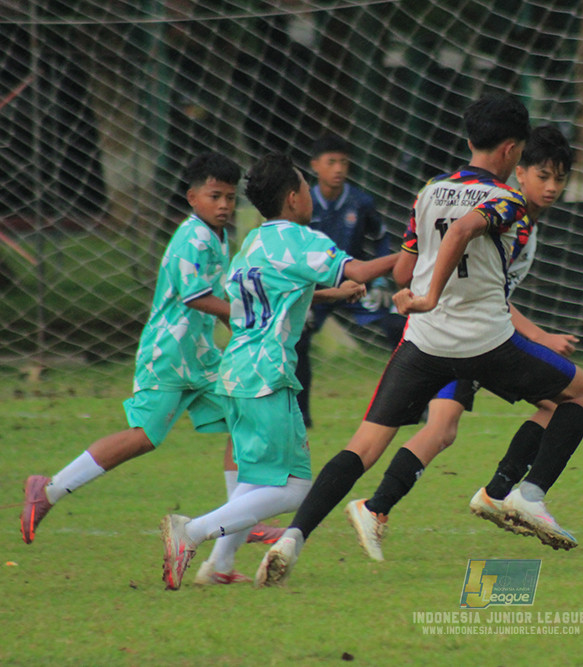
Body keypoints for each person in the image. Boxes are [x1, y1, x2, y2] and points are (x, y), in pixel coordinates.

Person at [255, 95, 583, 588]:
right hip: (484, 342)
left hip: (425, 344)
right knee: (582, 393)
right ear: (510, 150)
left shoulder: (430, 190)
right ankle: (529, 493)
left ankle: (293, 538)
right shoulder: (507, 200)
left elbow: (401, 267)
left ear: (467, 142)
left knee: (364, 445)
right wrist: (432, 294)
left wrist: (411, 292)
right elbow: (463, 230)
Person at [159, 153, 398, 589]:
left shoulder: (254, 241)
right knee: (294, 490)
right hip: (268, 373)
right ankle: (190, 532)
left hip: (235, 368)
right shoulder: (301, 239)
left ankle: (217, 566)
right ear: (293, 198)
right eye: (306, 187)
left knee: (257, 479)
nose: (310, 195)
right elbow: (362, 268)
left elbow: (273, 292)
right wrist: (412, 255)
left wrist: (331, 294)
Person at [18, 153, 280, 551]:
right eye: (215, 196)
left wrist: (235, 323)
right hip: (168, 354)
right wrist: (242, 316)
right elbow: (195, 297)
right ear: (192, 198)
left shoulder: (218, 236)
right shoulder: (191, 238)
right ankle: (49, 490)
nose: (225, 205)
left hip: (201, 355)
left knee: (242, 418)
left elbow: (217, 293)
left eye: (230, 197)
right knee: (143, 437)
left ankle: (239, 516)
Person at [344, 124, 579, 561]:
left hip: (455, 331)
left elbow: (493, 294)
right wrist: (540, 335)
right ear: (519, 170)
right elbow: (485, 296)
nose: (551, 188)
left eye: (559, 179)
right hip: (460, 336)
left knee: (443, 428)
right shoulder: (507, 215)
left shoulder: (515, 215)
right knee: (563, 399)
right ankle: (500, 493)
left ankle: (379, 507)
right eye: (542, 176)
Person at [294, 133, 405, 427]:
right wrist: (301, 294)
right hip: (317, 290)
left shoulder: (360, 202)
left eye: (344, 162)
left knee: (399, 326)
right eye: (331, 162)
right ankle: (301, 416)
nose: (339, 169)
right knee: (297, 340)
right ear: (315, 165)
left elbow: (382, 239)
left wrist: (381, 281)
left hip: (355, 286)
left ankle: (411, 404)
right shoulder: (303, 205)